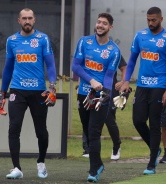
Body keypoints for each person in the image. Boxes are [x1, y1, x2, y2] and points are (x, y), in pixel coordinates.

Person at [0, 8, 57, 179]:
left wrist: (52, 86)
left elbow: (50, 65)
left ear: (34, 20)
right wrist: (2, 92)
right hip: (17, 90)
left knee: (41, 130)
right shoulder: (12, 40)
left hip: (39, 91)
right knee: (14, 128)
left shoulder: (42, 39)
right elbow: (8, 69)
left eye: (30, 18)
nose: (27, 21)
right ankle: (17, 168)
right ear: (19, 20)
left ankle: (41, 163)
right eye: (24, 18)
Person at [120, 7, 166, 175]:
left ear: (161, 19)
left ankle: (151, 163)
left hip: (159, 86)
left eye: (154, 20)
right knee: (138, 120)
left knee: (154, 124)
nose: (151, 23)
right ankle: (155, 149)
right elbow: (131, 61)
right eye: (148, 20)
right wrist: (125, 81)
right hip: (142, 85)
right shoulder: (140, 36)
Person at [71, 13, 121, 182]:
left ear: (110, 27)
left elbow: (109, 75)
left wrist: (106, 91)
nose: (100, 25)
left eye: (104, 23)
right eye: (99, 22)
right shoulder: (84, 42)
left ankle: (93, 171)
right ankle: (98, 164)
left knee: (94, 132)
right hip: (83, 93)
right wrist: (91, 80)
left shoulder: (114, 50)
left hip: (101, 97)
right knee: (87, 130)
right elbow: (75, 66)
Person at [80, 55, 127, 160]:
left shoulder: (113, 51)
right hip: (90, 88)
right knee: (88, 117)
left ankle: (116, 146)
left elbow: (124, 67)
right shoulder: (88, 49)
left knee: (109, 118)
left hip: (108, 89)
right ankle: (88, 148)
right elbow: (81, 69)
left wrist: (123, 82)